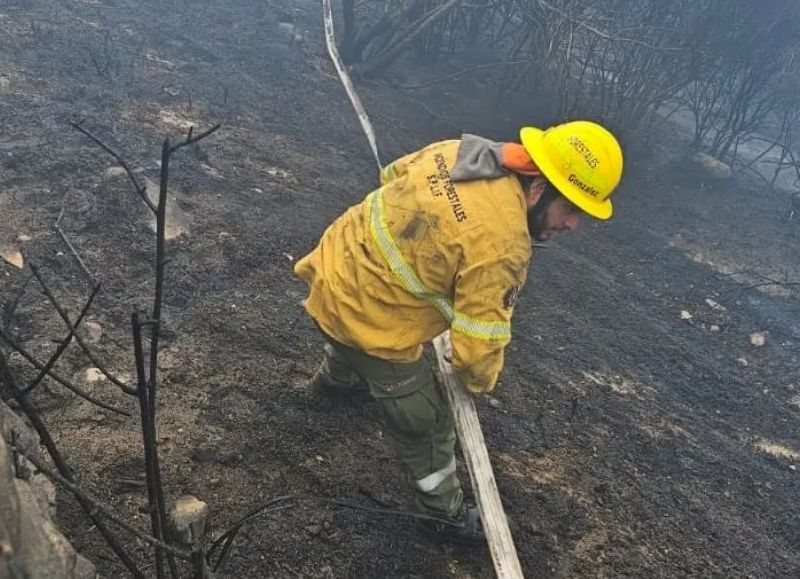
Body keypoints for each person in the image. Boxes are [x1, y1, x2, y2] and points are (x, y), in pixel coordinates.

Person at [294, 121, 623, 540]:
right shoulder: (501, 245)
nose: (573, 225)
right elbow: (475, 353)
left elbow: (391, 175)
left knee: (355, 326)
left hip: (334, 262)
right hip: (368, 315)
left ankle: (333, 385)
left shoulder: (462, 152)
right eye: (571, 209)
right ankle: (443, 514)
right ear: (538, 187)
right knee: (427, 422)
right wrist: (479, 383)